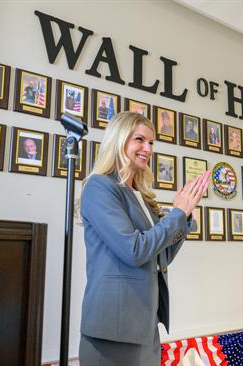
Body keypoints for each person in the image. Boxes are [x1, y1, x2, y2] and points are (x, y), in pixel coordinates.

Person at [78, 111, 211, 365]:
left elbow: (162, 257)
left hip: (145, 327)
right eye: (139, 139)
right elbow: (134, 250)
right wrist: (177, 214)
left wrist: (184, 217)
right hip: (113, 332)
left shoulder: (141, 196)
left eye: (151, 143)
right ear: (119, 140)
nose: (147, 148)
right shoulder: (99, 187)